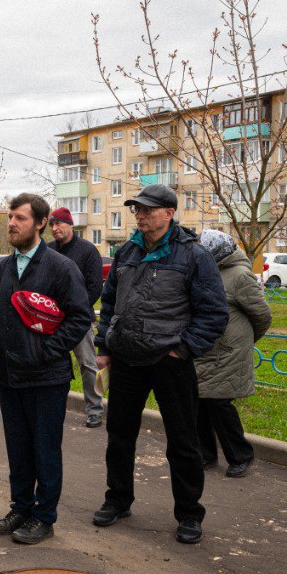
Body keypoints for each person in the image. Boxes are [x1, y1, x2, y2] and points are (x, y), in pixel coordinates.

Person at [93, 184, 227, 544]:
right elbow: (108, 303)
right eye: (137, 209)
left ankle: (189, 514)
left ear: (169, 213)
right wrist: (104, 344)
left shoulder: (194, 256)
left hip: (170, 362)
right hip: (126, 360)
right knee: (119, 437)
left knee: (183, 442)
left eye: (148, 210)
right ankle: (117, 500)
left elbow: (214, 313)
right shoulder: (126, 252)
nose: (140, 215)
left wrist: (182, 350)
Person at [0, 194, 93, 544]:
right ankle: (20, 507)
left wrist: (47, 350)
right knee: (17, 447)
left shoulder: (61, 267)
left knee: (45, 448)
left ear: (41, 223)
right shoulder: (2, 267)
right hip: (10, 374)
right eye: (10, 218)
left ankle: (44, 517)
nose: (12, 224)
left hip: (47, 377)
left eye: (20, 218)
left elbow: (80, 317)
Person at [193, 230, 272, 478]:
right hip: (205, 348)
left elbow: (262, 316)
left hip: (228, 352)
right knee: (199, 403)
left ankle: (240, 456)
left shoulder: (239, 275)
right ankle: (206, 455)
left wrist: (244, 342)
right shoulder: (207, 271)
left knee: (219, 404)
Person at [49, 206, 107, 427]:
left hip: (79, 318)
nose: (56, 228)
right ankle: (53, 406)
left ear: (70, 224)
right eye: (52, 224)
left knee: (88, 364)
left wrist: (75, 309)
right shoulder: (47, 250)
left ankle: (94, 410)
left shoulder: (87, 250)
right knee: (53, 363)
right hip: (52, 319)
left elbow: (95, 287)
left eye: (60, 223)